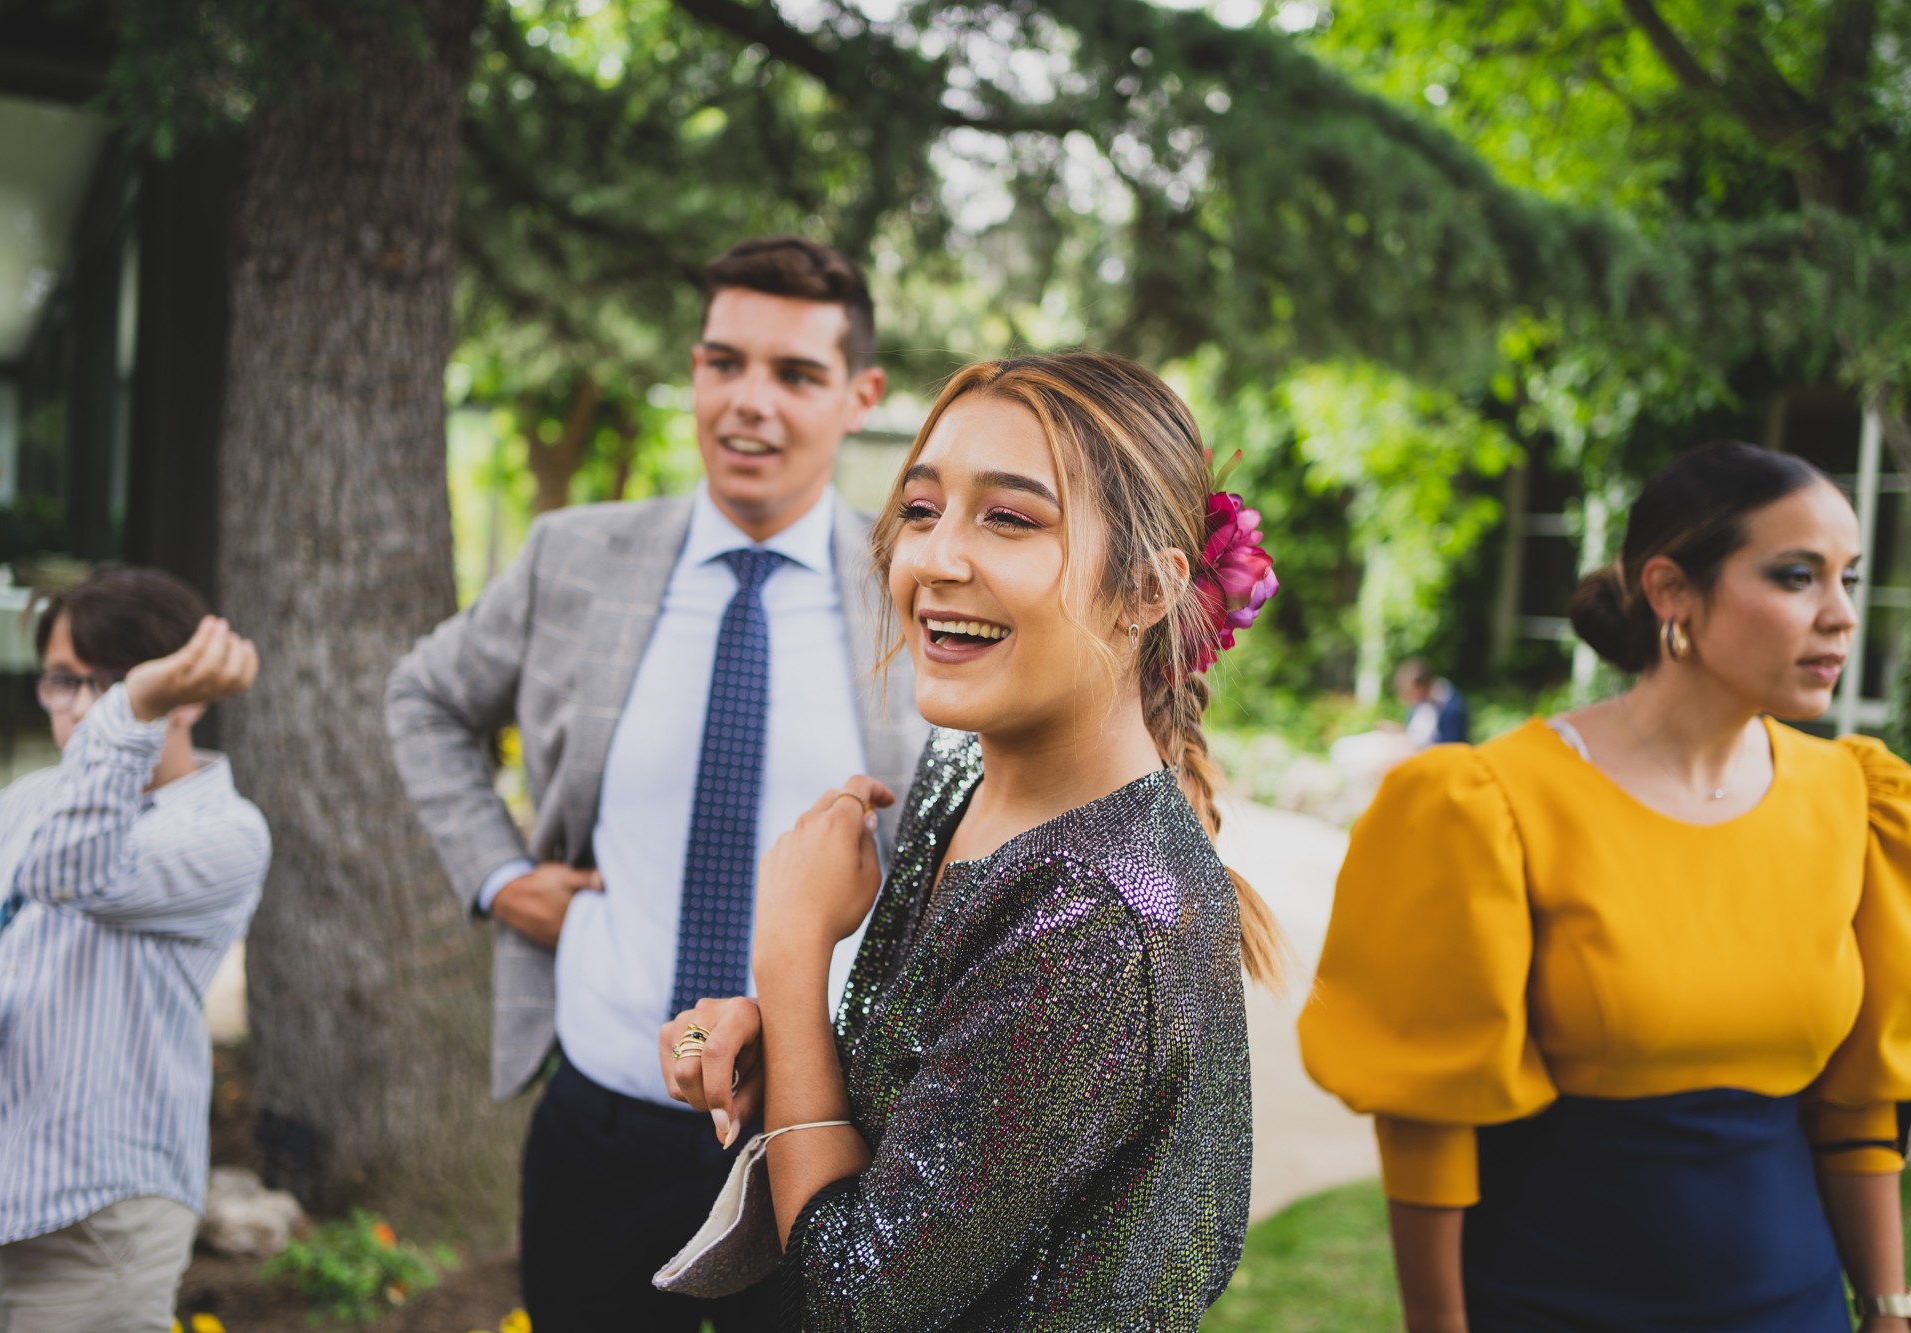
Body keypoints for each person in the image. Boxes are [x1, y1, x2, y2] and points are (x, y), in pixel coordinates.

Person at [660, 352, 1285, 1330]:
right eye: (920, 508)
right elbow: (901, 1095)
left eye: (1010, 517)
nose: (936, 558)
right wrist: (747, 1031)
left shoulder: (1091, 920)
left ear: (1146, 591)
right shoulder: (959, 776)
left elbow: (852, 1293)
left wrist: (786, 954)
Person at [385, 236, 929, 1331]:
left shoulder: (916, 593)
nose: (748, 402)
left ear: (859, 395)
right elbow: (423, 700)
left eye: (794, 374)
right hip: (602, 1125)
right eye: (722, 363)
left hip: (822, 1139)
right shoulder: (573, 561)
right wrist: (497, 873)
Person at [1301, 442, 1911, 1332]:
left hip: (1796, 1307)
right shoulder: (1485, 804)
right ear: (1671, 589)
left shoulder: (1861, 799)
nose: (1841, 615)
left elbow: (1861, 1100)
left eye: (1849, 577)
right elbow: (1430, 1120)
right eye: (1798, 576)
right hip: (1551, 1300)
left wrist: (1887, 1313)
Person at [0, 568, 268, 1333]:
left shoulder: (224, 832)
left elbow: (72, 872)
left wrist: (130, 712)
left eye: (113, 685)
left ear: (185, 695)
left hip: (102, 1213)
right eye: (64, 680)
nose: (83, 708)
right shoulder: (24, 802)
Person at [1394, 657, 1468, 747]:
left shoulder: (1451, 707)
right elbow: (1415, 732)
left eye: (1410, 694)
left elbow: (1450, 745)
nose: (1410, 702)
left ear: (1421, 687)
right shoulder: (1421, 704)